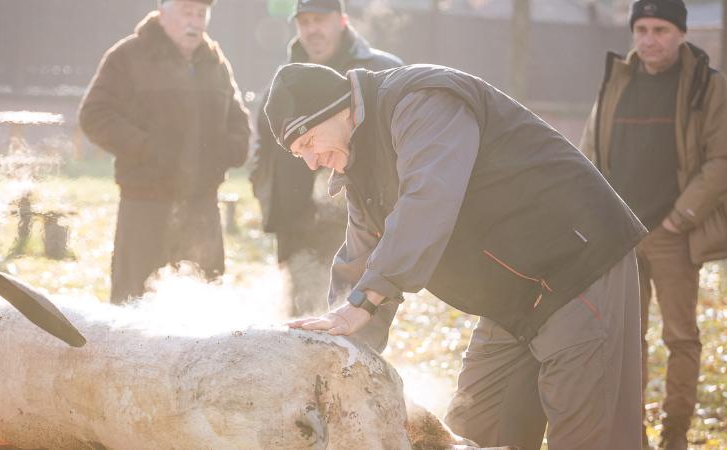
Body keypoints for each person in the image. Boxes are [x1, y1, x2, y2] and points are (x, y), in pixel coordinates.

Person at [265, 62, 647, 449]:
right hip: (513, 300)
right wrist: (335, 353)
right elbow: (360, 261)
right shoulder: (358, 168)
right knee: (470, 431)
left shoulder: (421, 100)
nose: (312, 162)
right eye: (299, 154)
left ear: (339, 109)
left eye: (309, 141)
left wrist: (366, 299)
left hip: (576, 266)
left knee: (590, 436)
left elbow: (429, 200)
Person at [579, 1, 727, 448]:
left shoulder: (707, 85)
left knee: (681, 337)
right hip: (621, 234)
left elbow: (720, 160)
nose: (649, 39)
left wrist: (680, 218)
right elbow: (589, 152)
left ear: (681, 33)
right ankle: (634, 436)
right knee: (626, 341)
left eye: (660, 29)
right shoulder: (617, 79)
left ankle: (675, 435)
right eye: (641, 29)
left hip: (673, 234)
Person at [79, 0, 250, 304]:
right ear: (162, 14)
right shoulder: (129, 55)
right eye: (187, 12)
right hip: (146, 204)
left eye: (201, 14)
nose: (194, 21)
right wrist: (148, 149)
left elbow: (238, 121)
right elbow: (94, 115)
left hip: (202, 207)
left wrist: (225, 152)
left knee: (203, 305)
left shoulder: (215, 61)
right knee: (136, 303)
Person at [250, 0, 401, 317]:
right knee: (300, 315)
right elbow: (263, 140)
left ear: (342, 20)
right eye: (304, 22)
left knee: (359, 312)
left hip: (357, 221)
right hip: (296, 220)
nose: (311, 29)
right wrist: (262, 186)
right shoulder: (285, 77)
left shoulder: (379, 69)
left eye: (320, 20)